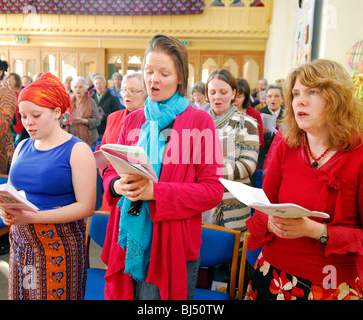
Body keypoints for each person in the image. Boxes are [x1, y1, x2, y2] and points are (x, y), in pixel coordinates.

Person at [244, 59, 363, 300]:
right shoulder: (287, 146)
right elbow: (266, 206)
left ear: (337, 99)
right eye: (295, 93)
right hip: (273, 275)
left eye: (312, 92)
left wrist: (317, 231)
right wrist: (270, 222)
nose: (299, 101)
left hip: (330, 285)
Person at [100, 34, 224, 300]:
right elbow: (112, 169)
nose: (153, 80)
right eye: (148, 71)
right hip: (129, 232)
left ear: (180, 77)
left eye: (164, 73)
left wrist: (155, 192)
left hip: (172, 241)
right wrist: (116, 184)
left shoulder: (199, 122)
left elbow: (212, 191)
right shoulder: (133, 119)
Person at [0, 72, 97, 300]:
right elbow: (11, 190)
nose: (28, 122)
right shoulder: (22, 146)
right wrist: (5, 207)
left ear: (57, 112)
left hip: (59, 244)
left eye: (36, 115)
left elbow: (86, 207)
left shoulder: (77, 150)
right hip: (22, 241)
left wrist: (33, 217)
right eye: (23, 116)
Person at [203, 69, 259, 232]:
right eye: (212, 92)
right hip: (202, 200)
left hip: (231, 202)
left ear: (233, 93)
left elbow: (248, 166)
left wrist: (209, 171)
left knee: (230, 253)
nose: (217, 97)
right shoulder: (198, 122)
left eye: (223, 92)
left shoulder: (247, 123)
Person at [96, 72, 147, 213]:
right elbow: (102, 151)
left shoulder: (152, 122)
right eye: (124, 90)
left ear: (145, 93)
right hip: (114, 188)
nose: (126, 94)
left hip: (140, 193)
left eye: (132, 91)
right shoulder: (113, 118)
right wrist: (111, 178)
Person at [61, 76, 100, 147]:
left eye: (80, 87)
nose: (78, 89)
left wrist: (84, 121)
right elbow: (59, 119)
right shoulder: (67, 101)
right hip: (71, 138)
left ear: (85, 89)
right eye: (75, 87)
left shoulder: (91, 102)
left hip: (89, 139)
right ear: (72, 88)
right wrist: (63, 122)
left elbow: (97, 121)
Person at [257, 84, 284, 170]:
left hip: (282, 154)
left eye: (276, 96)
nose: (273, 99)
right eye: (269, 96)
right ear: (265, 99)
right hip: (263, 156)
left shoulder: (288, 115)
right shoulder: (258, 113)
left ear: (282, 99)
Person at [235, 77, 264, 151]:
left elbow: (260, 142)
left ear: (245, 97)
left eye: (239, 97)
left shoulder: (254, 114)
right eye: (233, 96)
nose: (235, 100)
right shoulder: (224, 112)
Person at [6, 72, 24, 141]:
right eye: (7, 80)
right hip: (8, 125)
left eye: (11, 80)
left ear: (16, 81)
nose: (8, 82)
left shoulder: (21, 93)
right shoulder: (5, 93)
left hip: (19, 124)